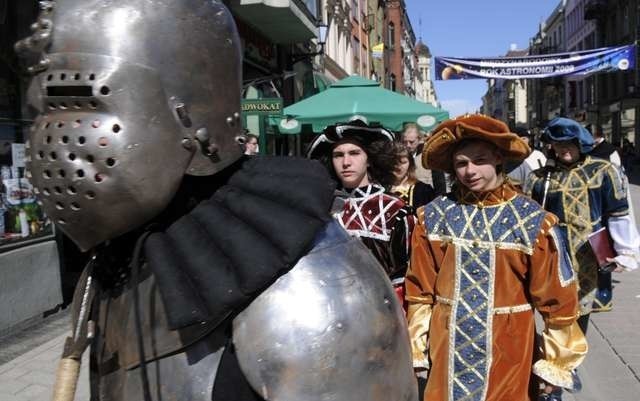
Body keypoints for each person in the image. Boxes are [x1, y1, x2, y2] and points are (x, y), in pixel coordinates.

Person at [16, 1, 418, 400]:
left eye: (83, 99)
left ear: (188, 111)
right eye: (43, 109)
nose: (53, 133)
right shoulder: (123, 256)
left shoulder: (308, 273)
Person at [406, 114, 587, 401]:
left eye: (479, 160)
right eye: (461, 163)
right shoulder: (433, 217)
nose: (470, 171)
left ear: (499, 159)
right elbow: (420, 291)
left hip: (509, 348)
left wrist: (557, 360)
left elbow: (558, 300)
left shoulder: (533, 222)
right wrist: (417, 347)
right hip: (447, 347)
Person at [524, 117, 640, 334]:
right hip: (554, 254)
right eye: (558, 144)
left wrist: (625, 251)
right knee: (555, 308)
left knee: (582, 307)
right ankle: (558, 359)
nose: (563, 148)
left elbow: (617, 214)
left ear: (580, 143)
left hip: (589, 255)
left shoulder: (601, 171)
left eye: (569, 142)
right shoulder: (539, 178)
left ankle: (574, 359)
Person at [307, 120, 415, 281]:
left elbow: (408, 275)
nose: (346, 162)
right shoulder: (319, 209)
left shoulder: (395, 210)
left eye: (354, 153)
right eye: (338, 155)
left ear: (370, 159)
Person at [588, 125, 623, 312]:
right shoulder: (587, 152)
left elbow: (618, 175)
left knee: (604, 253)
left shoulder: (610, 152)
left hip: (604, 209)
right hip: (592, 208)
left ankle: (604, 295)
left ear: (596, 136)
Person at [402, 123, 447, 195]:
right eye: (405, 142)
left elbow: (440, 184)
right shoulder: (398, 157)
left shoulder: (429, 157)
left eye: (411, 142)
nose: (408, 145)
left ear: (419, 139)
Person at [391, 142, 436, 210]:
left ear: (410, 164)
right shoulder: (381, 188)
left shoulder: (423, 191)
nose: (399, 167)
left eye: (403, 162)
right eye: (395, 162)